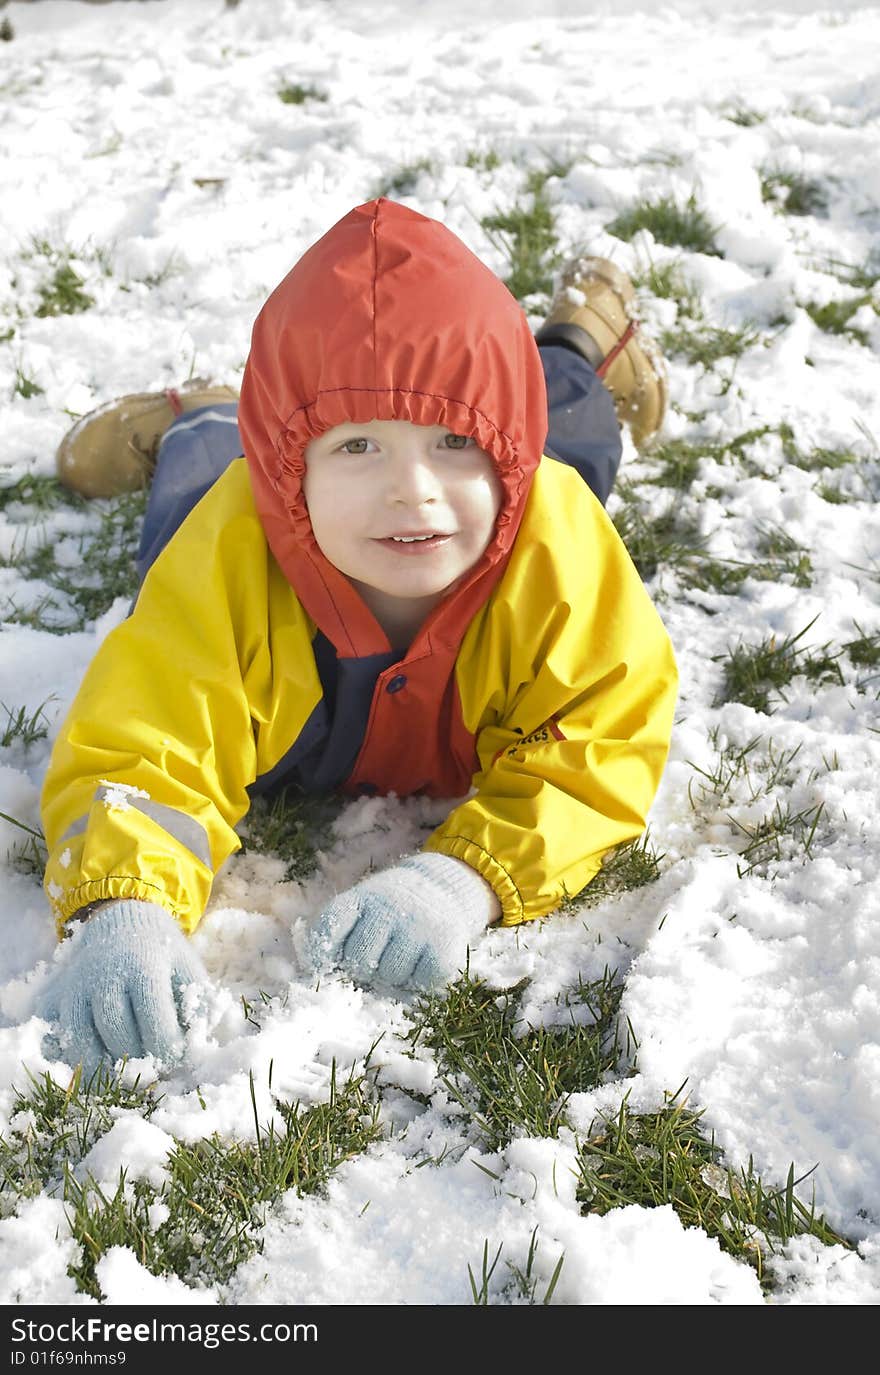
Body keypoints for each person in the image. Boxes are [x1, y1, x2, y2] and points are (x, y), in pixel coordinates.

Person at [35, 197, 678, 1074]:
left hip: (526, 445)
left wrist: (465, 880)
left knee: (574, 437)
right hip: (231, 477)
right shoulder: (232, 543)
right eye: (357, 448)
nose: (411, 491)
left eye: (456, 441)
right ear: (287, 467)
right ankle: (202, 417)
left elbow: (602, 733)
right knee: (199, 479)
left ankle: (580, 341)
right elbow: (147, 739)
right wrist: (126, 905)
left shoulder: (550, 538)